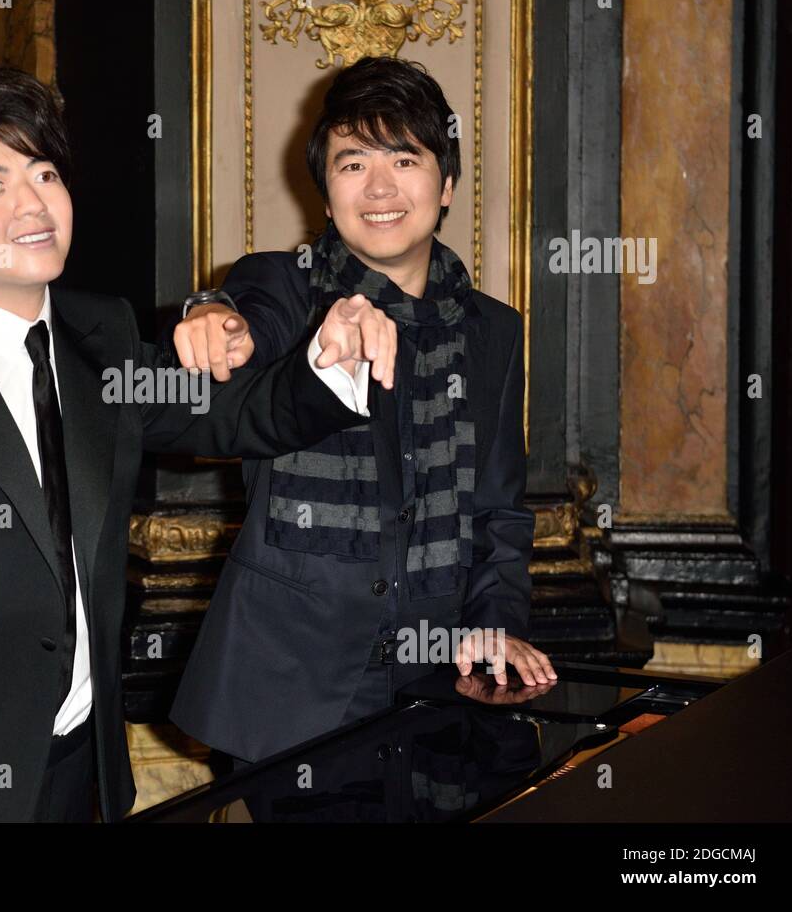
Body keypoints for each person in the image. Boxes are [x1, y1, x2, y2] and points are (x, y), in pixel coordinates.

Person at [0, 62, 395, 821]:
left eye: (44, 173)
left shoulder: (99, 338)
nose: (35, 204)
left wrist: (330, 359)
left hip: (86, 776)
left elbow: (232, 414)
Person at [168, 56, 556, 772]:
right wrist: (210, 318)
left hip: (439, 693)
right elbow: (238, 328)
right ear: (326, 191)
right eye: (352, 164)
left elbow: (499, 511)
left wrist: (495, 624)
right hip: (283, 704)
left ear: (445, 185)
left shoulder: (494, 331)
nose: (379, 187)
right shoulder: (285, 288)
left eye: (404, 158)